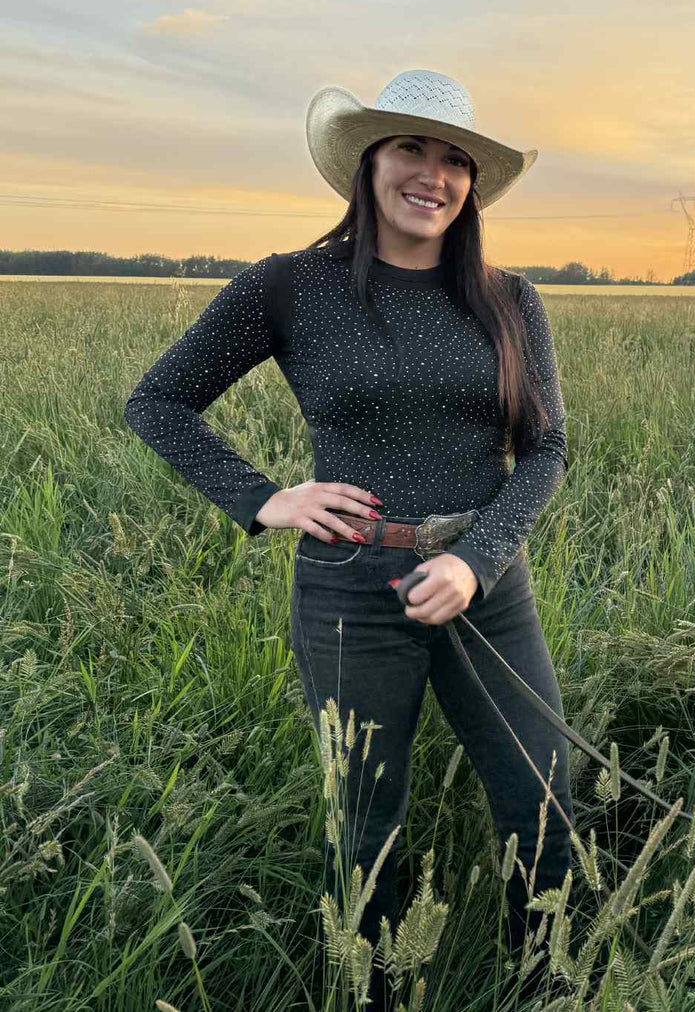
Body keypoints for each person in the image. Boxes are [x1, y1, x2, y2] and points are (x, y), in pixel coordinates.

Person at [124, 70, 574, 1004]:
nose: (434, 175)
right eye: (411, 148)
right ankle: (373, 993)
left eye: (456, 160)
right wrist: (263, 499)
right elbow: (158, 401)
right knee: (365, 824)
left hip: (483, 579)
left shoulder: (509, 300)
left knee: (541, 797)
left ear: (473, 186)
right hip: (349, 589)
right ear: (367, 163)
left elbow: (547, 453)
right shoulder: (292, 287)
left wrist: (474, 560)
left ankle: (554, 984)